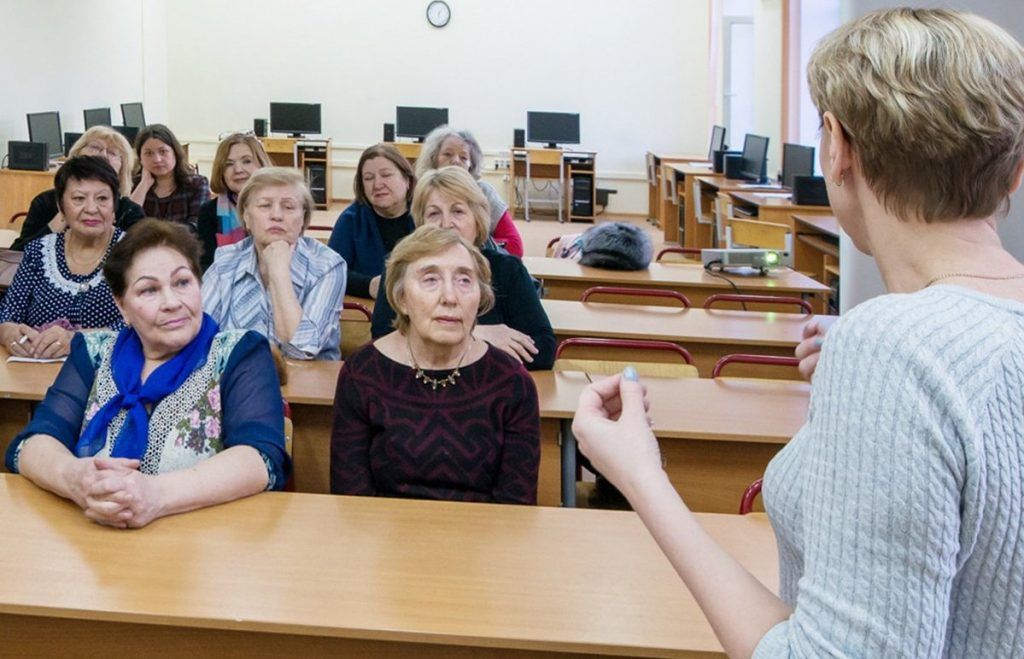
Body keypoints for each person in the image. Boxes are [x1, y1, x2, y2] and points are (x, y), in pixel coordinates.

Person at [572, 9, 1024, 658]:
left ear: (837, 149)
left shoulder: (893, 351)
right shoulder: (914, 348)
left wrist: (639, 475)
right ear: (1013, 169)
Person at [4, 219, 289, 529]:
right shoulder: (94, 352)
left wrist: (156, 495)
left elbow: (261, 458)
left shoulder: (239, 352)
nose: (172, 303)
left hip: (204, 548)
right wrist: (76, 479)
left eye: (182, 283)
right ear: (122, 306)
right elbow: (32, 443)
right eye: (149, 290)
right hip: (91, 539)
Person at [331, 224, 539, 504]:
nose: (450, 297)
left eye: (464, 280)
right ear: (401, 298)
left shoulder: (512, 382)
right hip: (383, 538)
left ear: (480, 297)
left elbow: (516, 505)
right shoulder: (362, 373)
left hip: (484, 540)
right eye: (430, 279)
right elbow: (350, 497)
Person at [371, 166, 555, 370]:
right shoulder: (400, 266)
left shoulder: (507, 270)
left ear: (478, 219)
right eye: (434, 214)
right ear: (420, 222)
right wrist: (475, 336)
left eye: (457, 211)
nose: (446, 224)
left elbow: (543, 351)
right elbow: (382, 338)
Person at [202, 167, 346, 360]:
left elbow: (301, 348)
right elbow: (198, 337)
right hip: (235, 380)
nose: (276, 215)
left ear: (303, 218)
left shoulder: (328, 265)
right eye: (265, 205)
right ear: (246, 216)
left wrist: (279, 273)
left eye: (288, 207)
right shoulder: (226, 261)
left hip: (306, 384)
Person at [0, 156, 126, 359]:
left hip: (108, 374)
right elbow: (9, 311)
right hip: (32, 371)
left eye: (102, 199)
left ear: (114, 206)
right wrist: (8, 333)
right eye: (78, 199)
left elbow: (143, 325)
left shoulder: (134, 254)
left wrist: (76, 340)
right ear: (61, 207)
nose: (91, 209)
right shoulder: (38, 251)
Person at [11, 126, 143, 251]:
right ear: (76, 155)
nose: (103, 155)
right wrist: (59, 221)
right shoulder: (45, 202)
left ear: (122, 167)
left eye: (112, 153)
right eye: (96, 147)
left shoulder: (130, 212)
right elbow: (16, 255)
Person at [417, 126, 524, 256]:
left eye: (463, 157)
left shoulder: (484, 192)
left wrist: (471, 243)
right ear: (433, 158)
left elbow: (515, 246)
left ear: (471, 165)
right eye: (448, 154)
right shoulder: (423, 192)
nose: (456, 161)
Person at [327, 144, 415, 299]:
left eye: (386, 175)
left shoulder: (425, 216)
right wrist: (369, 285)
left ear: (407, 180)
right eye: (368, 178)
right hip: (366, 314)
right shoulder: (351, 220)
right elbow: (331, 272)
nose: (377, 184)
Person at [196, 133, 272, 272]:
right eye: (229, 164)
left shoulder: (278, 208)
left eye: (247, 161)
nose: (238, 170)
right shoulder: (208, 211)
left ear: (261, 165)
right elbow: (206, 266)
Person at [129, 124, 210, 231]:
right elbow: (127, 226)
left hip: (183, 246)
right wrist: (144, 184)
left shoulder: (196, 184)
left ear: (175, 152)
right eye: (148, 153)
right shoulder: (133, 185)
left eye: (163, 152)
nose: (157, 159)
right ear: (140, 158)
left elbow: (196, 227)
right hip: (142, 247)